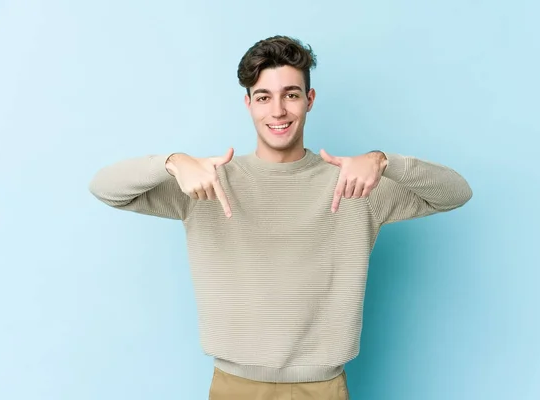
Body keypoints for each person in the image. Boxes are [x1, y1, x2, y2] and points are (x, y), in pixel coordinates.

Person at [89, 35, 473, 400]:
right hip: (234, 386)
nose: (278, 111)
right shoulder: (205, 183)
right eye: (263, 97)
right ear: (248, 104)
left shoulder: (355, 185)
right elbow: (105, 187)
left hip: (321, 388)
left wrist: (382, 160)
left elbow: (457, 192)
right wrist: (173, 162)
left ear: (309, 100)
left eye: (290, 95)